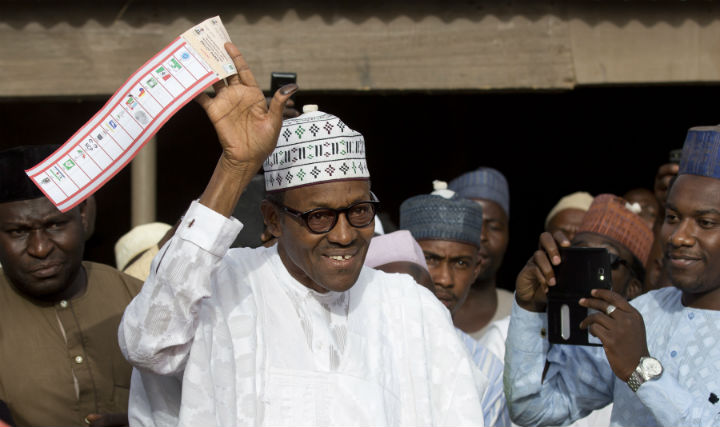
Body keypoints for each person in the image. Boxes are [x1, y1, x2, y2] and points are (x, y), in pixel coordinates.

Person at [119, 42, 488, 426]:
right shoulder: (220, 284)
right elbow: (149, 346)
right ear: (273, 220)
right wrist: (235, 167)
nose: (345, 235)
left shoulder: (411, 309)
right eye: (319, 217)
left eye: (359, 212)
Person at [504, 125, 720, 426]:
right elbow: (534, 411)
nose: (679, 236)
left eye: (706, 222)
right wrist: (530, 310)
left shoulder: (631, 326)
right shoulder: (640, 313)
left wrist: (641, 371)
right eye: (672, 218)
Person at [0, 145, 142, 426]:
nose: (40, 249)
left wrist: (144, 421)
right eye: (18, 232)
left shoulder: (140, 301)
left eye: (55, 225)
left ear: (84, 215)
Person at [395, 187, 510, 427]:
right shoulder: (365, 341)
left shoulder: (486, 371)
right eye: (431, 259)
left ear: (476, 269)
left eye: (460, 263)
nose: (445, 279)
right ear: (404, 259)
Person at [447, 167, 513, 339]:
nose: (482, 235)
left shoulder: (521, 314)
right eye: (471, 222)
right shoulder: (422, 308)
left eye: (494, 227)